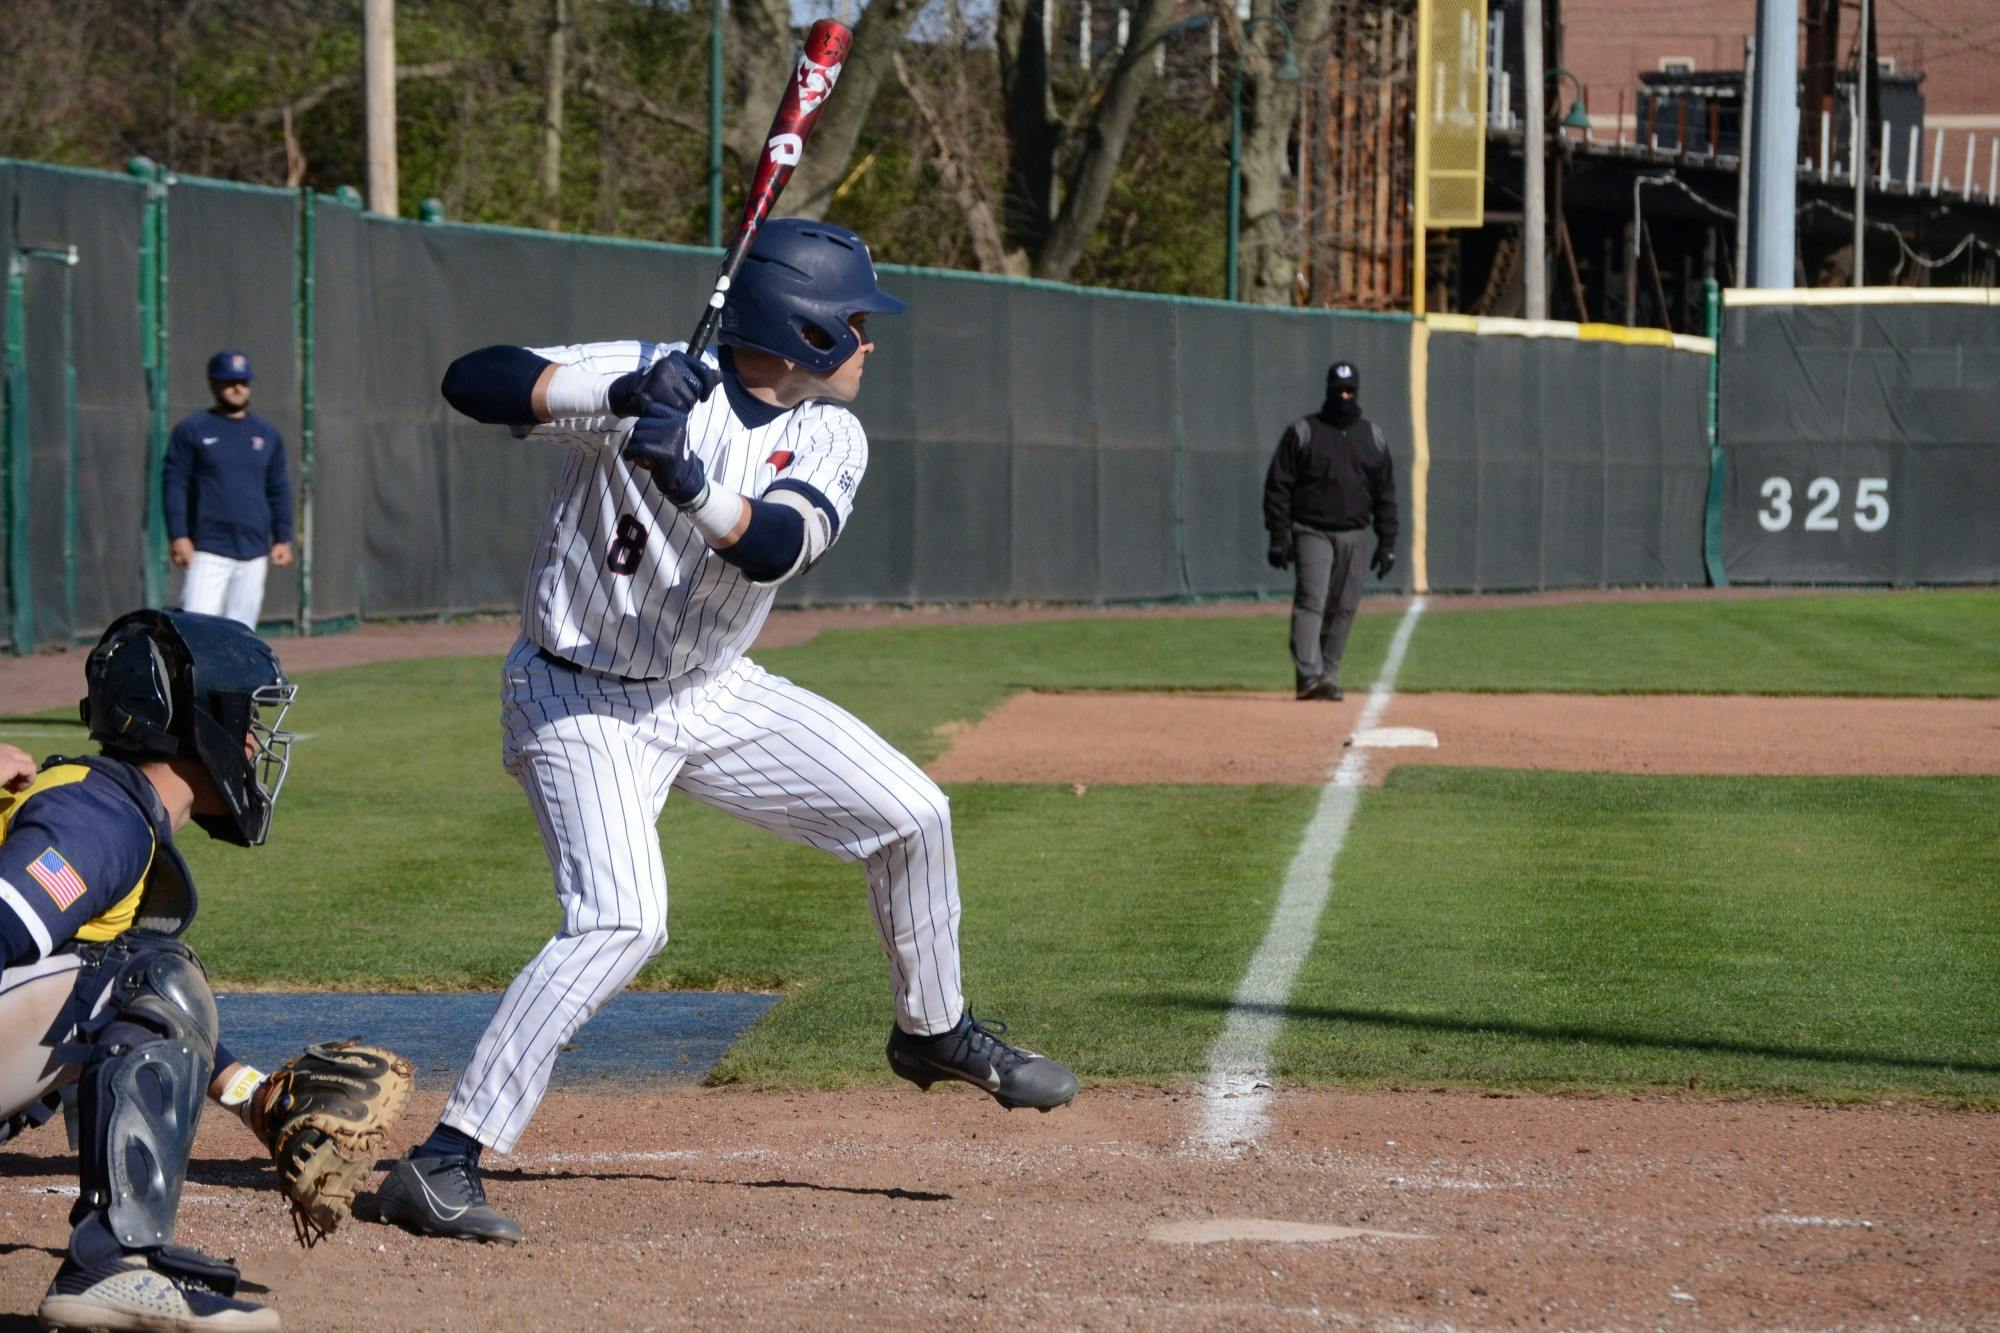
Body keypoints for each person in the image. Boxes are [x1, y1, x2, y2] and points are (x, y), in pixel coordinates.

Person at [375, 218, 1079, 1246]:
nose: (869, 341)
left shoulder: (831, 433)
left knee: (912, 814)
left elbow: (777, 544)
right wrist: (618, 393)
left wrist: (695, 488)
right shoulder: (651, 369)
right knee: (621, 921)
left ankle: (931, 1030)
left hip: (708, 688)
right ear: (802, 331)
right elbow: (471, 380)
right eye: (853, 323)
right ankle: (444, 1160)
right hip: (576, 698)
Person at [0, 610, 304, 1329]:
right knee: (153, 971)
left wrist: (256, 1097)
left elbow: (112, 989)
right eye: (247, 717)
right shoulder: (99, 817)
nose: (255, 740)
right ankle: (112, 1263)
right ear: (195, 721)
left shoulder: (109, 805)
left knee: (134, 969)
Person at [1261, 360, 1399, 702]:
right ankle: (1309, 676)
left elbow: (1385, 494)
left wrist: (1387, 542)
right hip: (1312, 530)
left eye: (1350, 391)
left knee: (1344, 606)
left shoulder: (1372, 437)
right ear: (1328, 391)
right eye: (1339, 391)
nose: (1344, 396)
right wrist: (1279, 535)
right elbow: (1278, 486)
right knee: (1312, 600)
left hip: (1355, 534)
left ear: (1357, 392)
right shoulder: (1304, 431)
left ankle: (1328, 674)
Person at [164, 350, 296, 628]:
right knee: (196, 630)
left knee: (242, 634)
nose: (238, 388)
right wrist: (179, 536)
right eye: (229, 381)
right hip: (207, 548)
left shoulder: (267, 434)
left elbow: (278, 488)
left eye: (243, 381)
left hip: (254, 549)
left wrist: (283, 537)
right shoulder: (193, 429)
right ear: (213, 383)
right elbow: (175, 484)